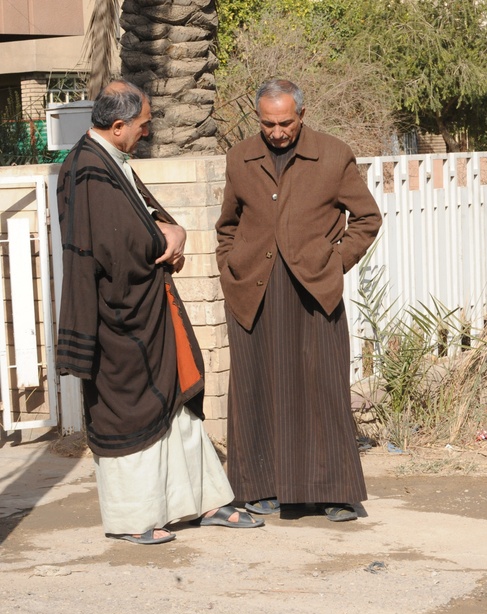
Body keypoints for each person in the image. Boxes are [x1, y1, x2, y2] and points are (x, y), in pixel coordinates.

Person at [56, 80, 264, 544]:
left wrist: (170, 231)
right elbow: (113, 244)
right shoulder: (87, 169)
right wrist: (165, 239)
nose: (146, 133)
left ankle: (202, 501)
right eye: (143, 125)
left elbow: (136, 219)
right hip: (120, 321)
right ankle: (135, 520)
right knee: (130, 416)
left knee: (176, 403)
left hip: (149, 312)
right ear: (117, 125)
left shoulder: (108, 160)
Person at [215, 79, 382, 521]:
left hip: (314, 290)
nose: (277, 132)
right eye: (268, 123)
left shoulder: (333, 154)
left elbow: (367, 218)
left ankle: (333, 492)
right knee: (257, 388)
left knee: (321, 386)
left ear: (302, 115)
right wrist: (229, 266)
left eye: (285, 122)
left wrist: (335, 261)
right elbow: (227, 224)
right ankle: (259, 488)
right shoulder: (240, 157)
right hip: (253, 288)